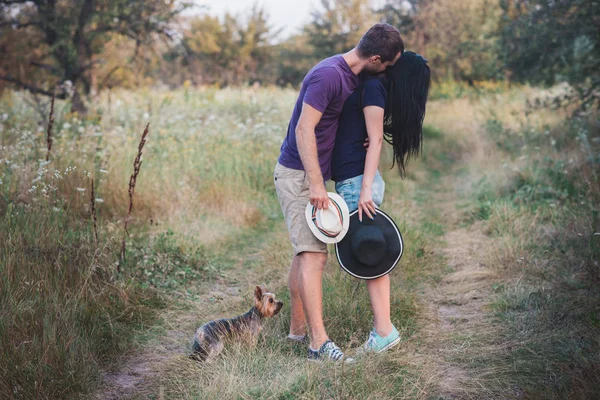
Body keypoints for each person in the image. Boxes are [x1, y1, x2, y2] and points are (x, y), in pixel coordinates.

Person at [274, 24, 404, 363]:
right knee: (313, 255)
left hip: (312, 172)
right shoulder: (329, 75)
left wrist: (366, 136)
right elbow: (304, 129)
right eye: (387, 65)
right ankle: (319, 344)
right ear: (376, 58)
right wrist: (317, 184)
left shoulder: (352, 77)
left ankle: (297, 331)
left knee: (304, 251)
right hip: (299, 174)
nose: (387, 71)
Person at [331, 51, 431, 353]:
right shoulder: (373, 85)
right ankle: (384, 329)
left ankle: (384, 331)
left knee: (371, 255)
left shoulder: (374, 86)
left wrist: (363, 191)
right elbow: (369, 135)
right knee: (371, 254)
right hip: (357, 179)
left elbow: (374, 140)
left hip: (356, 182)